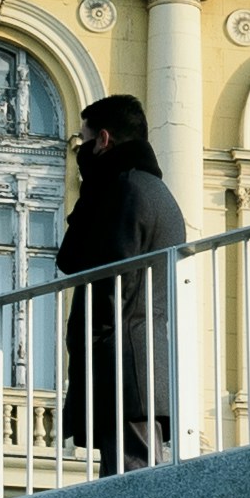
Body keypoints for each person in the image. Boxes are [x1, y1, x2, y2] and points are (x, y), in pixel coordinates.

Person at [57, 95, 187, 471]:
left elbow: (114, 281)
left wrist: (93, 341)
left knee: (133, 484)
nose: (80, 153)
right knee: (125, 479)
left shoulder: (126, 190)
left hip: (124, 365)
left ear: (103, 139)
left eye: (83, 141)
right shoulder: (151, 190)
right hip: (136, 363)